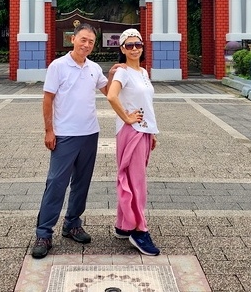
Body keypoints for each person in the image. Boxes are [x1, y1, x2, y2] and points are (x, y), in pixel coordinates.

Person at [31, 23, 109, 259]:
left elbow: (110, 92)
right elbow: (47, 99)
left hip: (89, 134)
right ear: (73, 39)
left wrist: (125, 75)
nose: (86, 45)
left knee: (81, 184)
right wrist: (49, 130)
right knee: (56, 184)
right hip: (65, 135)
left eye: (91, 42)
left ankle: (72, 224)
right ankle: (44, 233)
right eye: (83, 39)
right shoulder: (58, 66)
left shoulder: (94, 68)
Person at [105, 28, 160, 256]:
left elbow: (146, 103)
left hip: (144, 131)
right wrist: (126, 117)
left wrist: (152, 131)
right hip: (131, 131)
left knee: (133, 178)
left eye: (138, 44)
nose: (134, 48)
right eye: (129, 45)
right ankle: (139, 230)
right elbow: (110, 95)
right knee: (137, 183)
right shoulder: (123, 72)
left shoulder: (144, 73)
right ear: (122, 49)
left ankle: (123, 224)